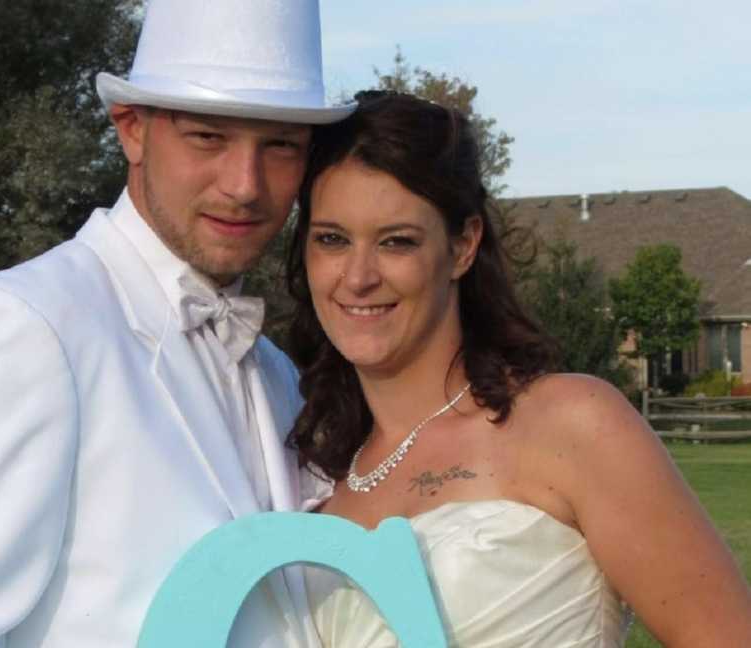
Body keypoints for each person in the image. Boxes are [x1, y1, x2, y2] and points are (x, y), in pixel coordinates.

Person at [0, 2, 354, 646]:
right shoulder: (24, 330)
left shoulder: (278, 374)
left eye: (281, 146)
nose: (245, 185)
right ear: (132, 129)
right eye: (208, 136)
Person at [287, 92, 751, 647]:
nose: (358, 277)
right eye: (332, 240)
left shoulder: (571, 425)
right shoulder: (312, 477)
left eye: (397, 242)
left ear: (463, 246)